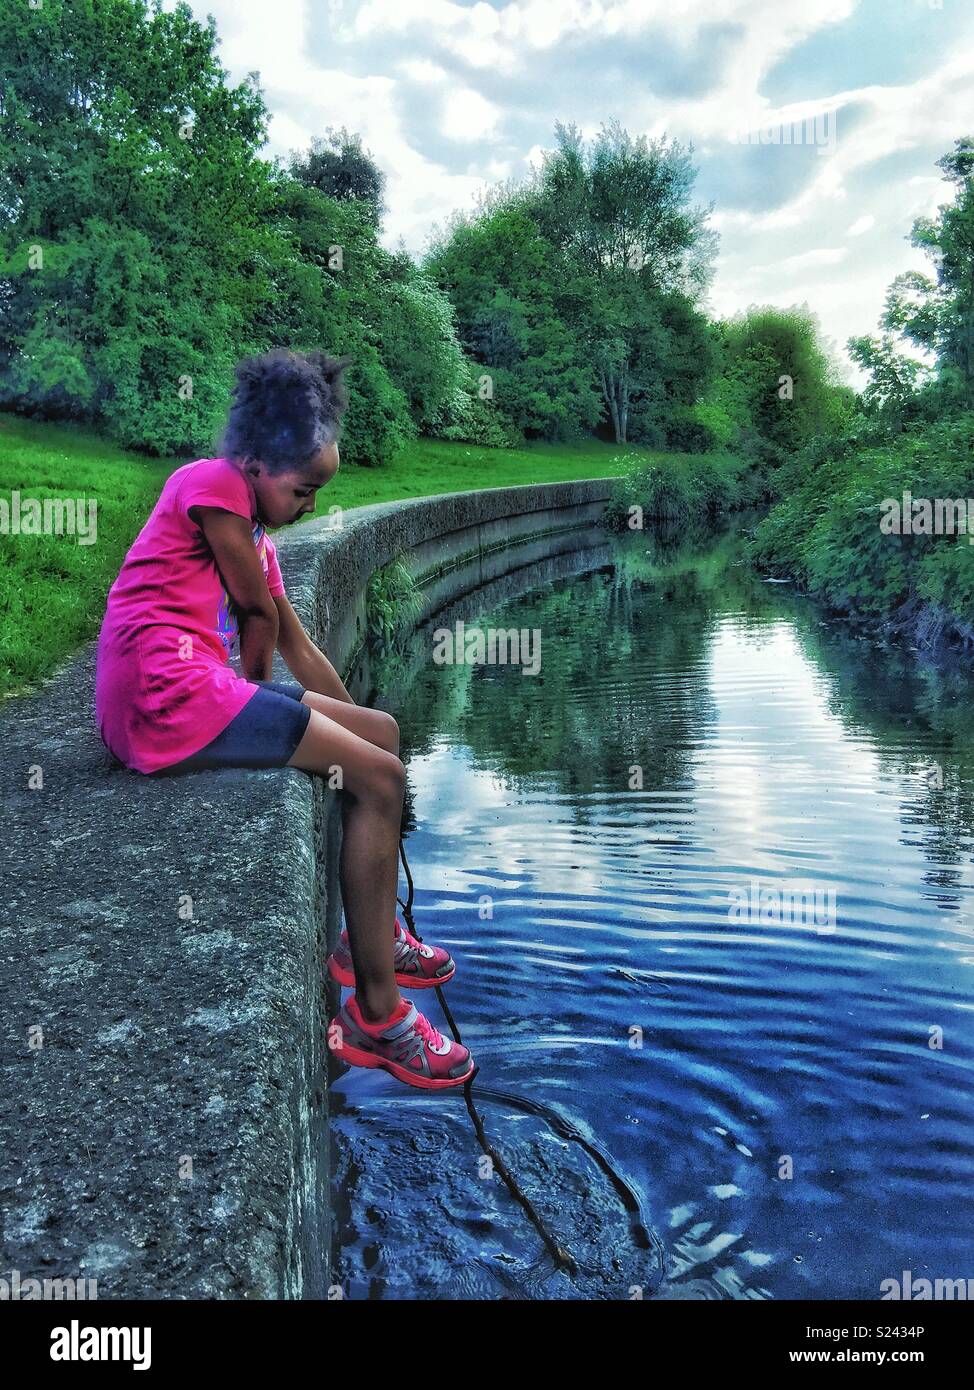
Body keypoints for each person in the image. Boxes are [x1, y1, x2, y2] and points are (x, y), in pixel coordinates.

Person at [94, 347, 475, 1090]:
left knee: (383, 737)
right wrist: (270, 715)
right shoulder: (209, 484)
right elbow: (255, 618)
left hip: (196, 688)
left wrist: (346, 715)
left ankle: (369, 932)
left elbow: (297, 649)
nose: (308, 508)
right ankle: (377, 1013)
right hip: (160, 696)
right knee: (378, 779)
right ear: (258, 464)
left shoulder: (258, 534)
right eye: (303, 491)